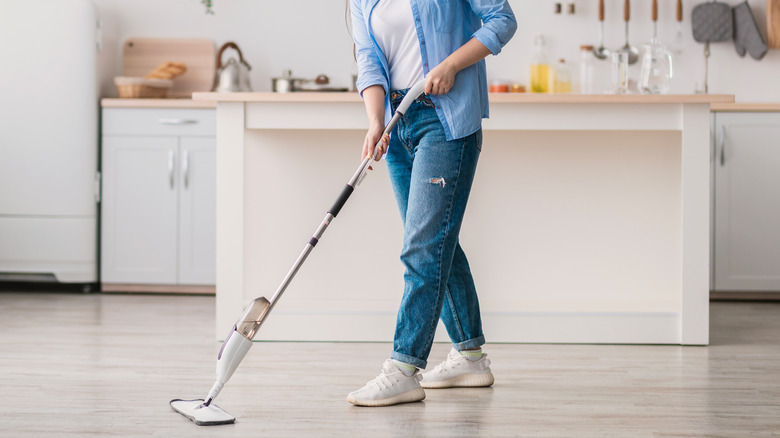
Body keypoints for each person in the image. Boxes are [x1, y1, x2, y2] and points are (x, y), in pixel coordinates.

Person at [347, 0, 516, 407]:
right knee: (436, 243)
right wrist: (375, 121)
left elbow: (502, 20)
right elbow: (369, 58)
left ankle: (404, 368)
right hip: (397, 120)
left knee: (423, 246)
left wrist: (452, 65)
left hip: (445, 118)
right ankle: (471, 356)